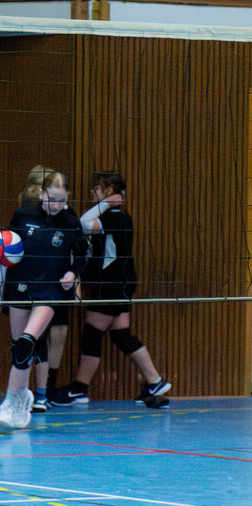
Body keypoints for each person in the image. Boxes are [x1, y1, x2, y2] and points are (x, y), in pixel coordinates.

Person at [50, 171, 171, 409]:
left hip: (112, 284)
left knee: (92, 333)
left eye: (97, 188)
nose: (91, 192)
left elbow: (82, 225)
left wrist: (105, 203)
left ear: (110, 192)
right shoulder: (118, 218)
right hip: (120, 283)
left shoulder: (114, 218)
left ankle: (80, 389)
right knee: (120, 335)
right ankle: (155, 382)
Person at [0, 170, 87, 431]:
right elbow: (6, 248)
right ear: (42, 194)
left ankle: (10, 400)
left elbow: (81, 257)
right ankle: (22, 395)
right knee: (18, 347)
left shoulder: (70, 222)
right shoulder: (23, 215)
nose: (56, 205)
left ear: (68, 196)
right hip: (20, 286)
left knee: (27, 341)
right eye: (51, 199)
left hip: (50, 291)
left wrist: (73, 273)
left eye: (61, 199)